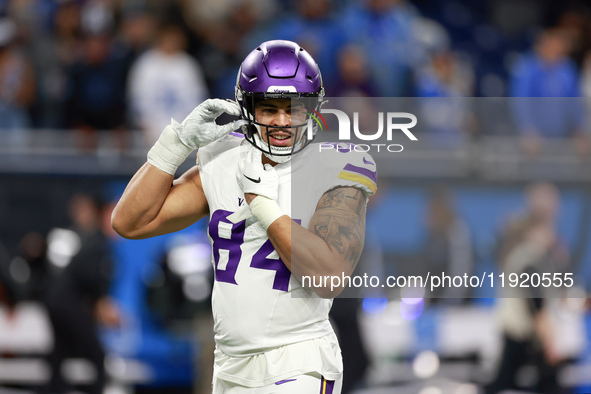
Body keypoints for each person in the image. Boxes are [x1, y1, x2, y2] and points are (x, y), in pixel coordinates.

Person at [112, 40, 377, 393]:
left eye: (293, 108)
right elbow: (130, 222)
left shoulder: (337, 166)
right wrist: (175, 144)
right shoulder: (223, 159)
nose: (282, 121)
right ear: (247, 109)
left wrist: (261, 202)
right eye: (269, 109)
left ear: (313, 110)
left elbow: (329, 277)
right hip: (230, 366)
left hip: (298, 361)